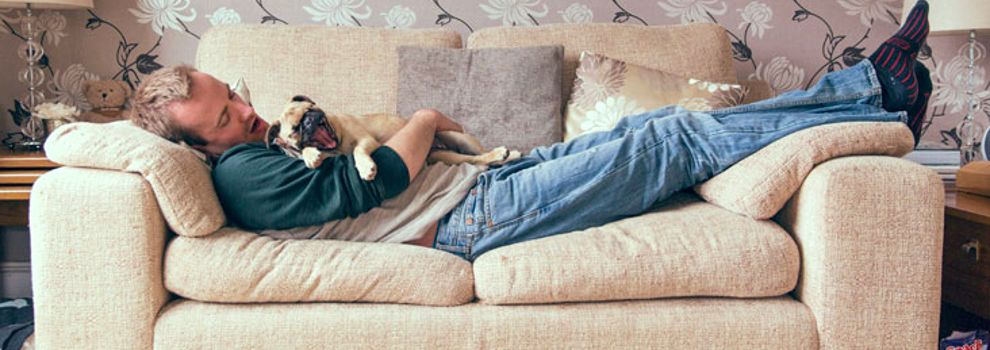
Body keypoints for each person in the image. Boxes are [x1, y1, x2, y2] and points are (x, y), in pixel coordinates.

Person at [129, 1, 932, 261]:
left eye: (228, 93)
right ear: (198, 148)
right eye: (223, 117)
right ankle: (871, 89)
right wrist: (421, 118)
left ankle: (866, 92)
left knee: (661, 124)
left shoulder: (258, 142)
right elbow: (380, 181)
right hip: (469, 219)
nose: (243, 107)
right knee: (670, 143)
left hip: (483, 182)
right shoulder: (239, 176)